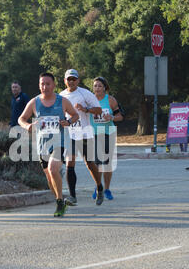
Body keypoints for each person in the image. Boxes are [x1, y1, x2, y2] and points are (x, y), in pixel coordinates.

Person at [18, 72, 79, 217]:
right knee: (49, 177)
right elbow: (21, 118)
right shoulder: (34, 102)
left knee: (53, 169)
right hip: (42, 144)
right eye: (42, 84)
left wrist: (68, 122)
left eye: (47, 84)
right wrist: (28, 126)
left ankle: (59, 202)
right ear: (39, 86)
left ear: (54, 85)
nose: (45, 87)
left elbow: (75, 115)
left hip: (59, 142)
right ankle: (60, 198)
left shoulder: (62, 101)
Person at [59, 69, 104, 206]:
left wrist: (85, 109)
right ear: (65, 81)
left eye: (74, 79)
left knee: (89, 163)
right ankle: (73, 196)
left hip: (85, 133)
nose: (71, 81)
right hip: (70, 134)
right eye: (69, 79)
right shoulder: (61, 96)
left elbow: (99, 110)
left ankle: (99, 187)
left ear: (78, 80)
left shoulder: (85, 94)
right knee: (69, 163)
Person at [90, 77, 124, 200]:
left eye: (99, 86)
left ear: (105, 87)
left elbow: (120, 116)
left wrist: (111, 117)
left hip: (108, 133)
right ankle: (98, 187)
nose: (97, 88)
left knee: (107, 164)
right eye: (95, 86)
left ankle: (107, 189)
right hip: (93, 134)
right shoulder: (89, 100)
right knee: (96, 164)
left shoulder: (110, 100)